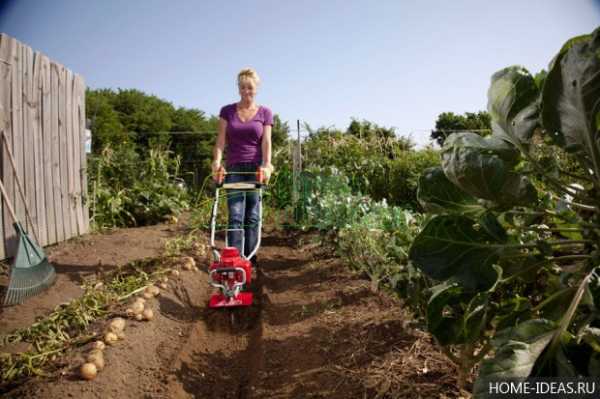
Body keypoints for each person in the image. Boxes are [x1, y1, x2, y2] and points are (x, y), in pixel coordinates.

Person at [212, 68, 274, 267]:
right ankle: (234, 260)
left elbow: (266, 142)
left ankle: (250, 259)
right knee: (236, 215)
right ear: (238, 88)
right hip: (234, 169)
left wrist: (266, 165)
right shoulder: (227, 111)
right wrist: (217, 162)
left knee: (253, 216)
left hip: (255, 168)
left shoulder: (265, 113)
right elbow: (221, 141)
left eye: (250, 87)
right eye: (242, 87)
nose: (246, 91)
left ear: (256, 89)